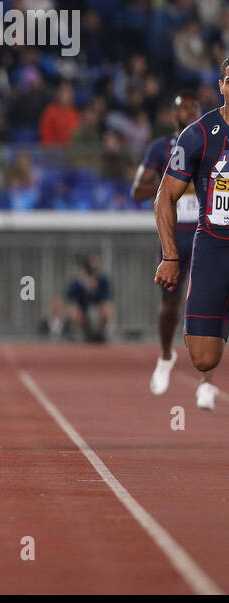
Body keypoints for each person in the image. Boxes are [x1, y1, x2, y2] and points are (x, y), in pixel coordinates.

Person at [155, 61, 229, 411]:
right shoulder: (198, 134)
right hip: (213, 245)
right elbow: (163, 198)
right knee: (203, 358)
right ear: (221, 86)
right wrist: (170, 256)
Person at [132, 92, 202, 394]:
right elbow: (137, 191)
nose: (186, 112)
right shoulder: (161, 148)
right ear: (172, 115)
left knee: (212, 300)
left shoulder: (212, 141)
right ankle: (165, 355)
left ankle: (208, 375)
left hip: (207, 230)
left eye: (192, 107)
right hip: (174, 233)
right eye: (181, 108)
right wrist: (170, 180)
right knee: (170, 302)